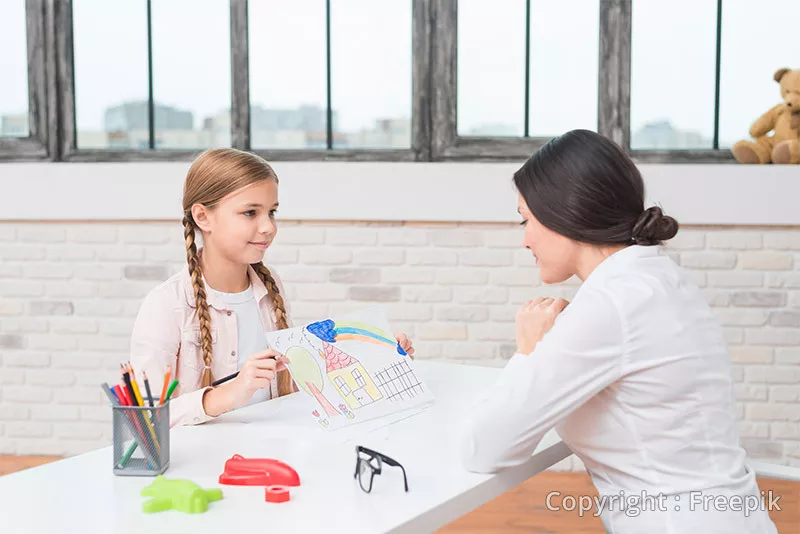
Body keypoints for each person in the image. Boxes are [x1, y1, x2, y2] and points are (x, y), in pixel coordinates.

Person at [459, 129, 778, 533]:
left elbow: (483, 449)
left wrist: (527, 351)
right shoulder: (659, 278)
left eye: (526, 219)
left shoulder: (609, 306)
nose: (524, 240)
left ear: (564, 212)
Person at [130, 148, 415, 427]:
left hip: (273, 449)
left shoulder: (270, 287)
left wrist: (379, 357)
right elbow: (144, 419)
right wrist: (227, 394)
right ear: (203, 217)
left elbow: (291, 385)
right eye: (250, 212)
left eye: (272, 212)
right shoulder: (167, 305)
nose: (268, 227)